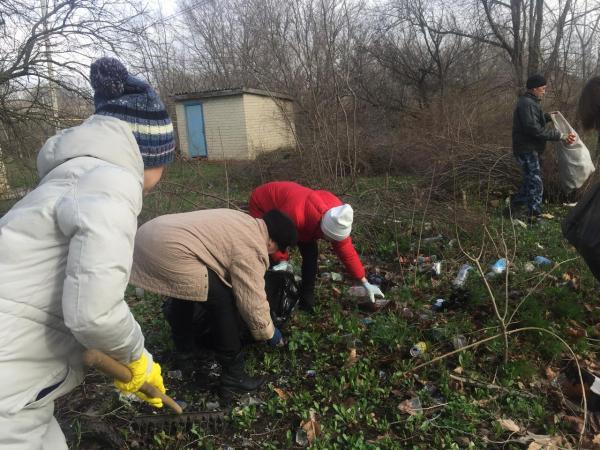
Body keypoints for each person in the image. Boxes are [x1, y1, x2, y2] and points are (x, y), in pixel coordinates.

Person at [0, 57, 176, 449]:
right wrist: (137, 357)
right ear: (146, 154)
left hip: (20, 379)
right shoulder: (111, 183)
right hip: (9, 380)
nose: (162, 175)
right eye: (164, 162)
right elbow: (94, 313)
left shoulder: (63, 182)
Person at [129, 208, 298, 396]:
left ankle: (185, 352)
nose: (274, 253)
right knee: (222, 301)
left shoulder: (244, 221)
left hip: (148, 234)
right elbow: (251, 300)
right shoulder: (253, 246)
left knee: (184, 291)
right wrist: (269, 332)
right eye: (277, 248)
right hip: (168, 247)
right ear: (271, 242)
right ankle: (234, 377)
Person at [248, 181, 384, 311]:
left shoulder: (339, 217)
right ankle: (270, 300)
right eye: (328, 238)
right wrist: (281, 259)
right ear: (322, 228)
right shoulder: (296, 214)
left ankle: (307, 300)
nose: (329, 241)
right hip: (263, 203)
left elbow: (346, 251)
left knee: (311, 254)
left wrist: (363, 280)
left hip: (302, 217)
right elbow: (276, 237)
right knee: (270, 257)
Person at [511, 73, 576, 220]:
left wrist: (547, 116)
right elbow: (533, 129)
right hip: (527, 150)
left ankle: (513, 210)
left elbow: (534, 122)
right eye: (543, 88)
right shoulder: (527, 104)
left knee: (529, 182)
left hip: (530, 149)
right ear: (534, 88)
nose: (544, 91)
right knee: (536, 184)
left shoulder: (530, 102)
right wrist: (560, 136)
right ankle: (534, 217)